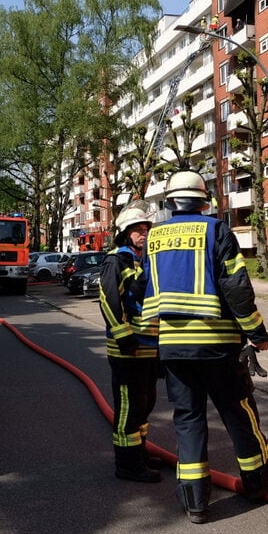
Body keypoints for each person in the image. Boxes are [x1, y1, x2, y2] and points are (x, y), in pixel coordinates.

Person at [142, 169, 268, 524]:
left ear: (170, 201)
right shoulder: (216, 230)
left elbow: (148, 289)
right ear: (204, 200)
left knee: (188, 420)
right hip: (217, 344)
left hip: (173, 347)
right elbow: (236, 286)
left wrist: (151, 343)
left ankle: (195, 502)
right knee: (238, 410)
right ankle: (256, 479)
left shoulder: (154, 237)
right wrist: (257, 333)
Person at [98, 201, 160, 483]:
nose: (144, 234)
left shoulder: (143, 260)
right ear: (125, 232)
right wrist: (123, 336)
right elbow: (109, 300)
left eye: (146, 228)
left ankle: (140, 453)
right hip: (127, 349)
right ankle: (127, 464)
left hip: (148, 348)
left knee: (145, 403)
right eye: (138, 229)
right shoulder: (116, 260)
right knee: (128, 407)